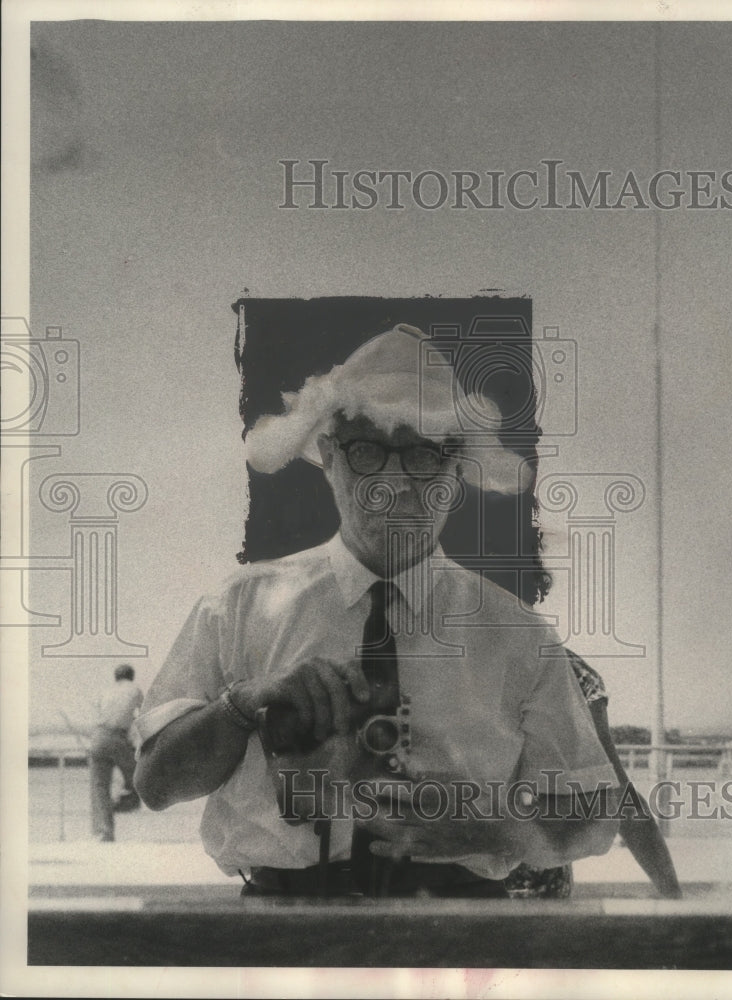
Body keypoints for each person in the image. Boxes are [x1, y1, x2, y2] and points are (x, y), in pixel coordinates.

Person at [134, 323, 622, 897]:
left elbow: (594, 812)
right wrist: (241, 706)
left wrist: (492, 827)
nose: (391, 484)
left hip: (459, 933)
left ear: (456, 471)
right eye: (367, 451)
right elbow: (155, 785)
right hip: (280, 931)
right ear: (328, 457)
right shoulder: (239, 606)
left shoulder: (516, 633)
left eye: (421, 455)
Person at [505, 648, 682, 898]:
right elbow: (622, 800)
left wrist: (674, 898)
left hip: (525, 888)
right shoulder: (563, 669)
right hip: (514, 886)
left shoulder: (564, 670)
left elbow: (619, 797)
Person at [89, 663, 143, 842]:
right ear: (131, 676)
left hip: (98, 738)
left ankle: (106, 831)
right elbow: (143, 716)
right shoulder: (135, 690)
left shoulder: (106, 690)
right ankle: (123, 804)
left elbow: (98, 714)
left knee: (100, 788)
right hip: (118, 738)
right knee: (137, 779)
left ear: (116, 677)